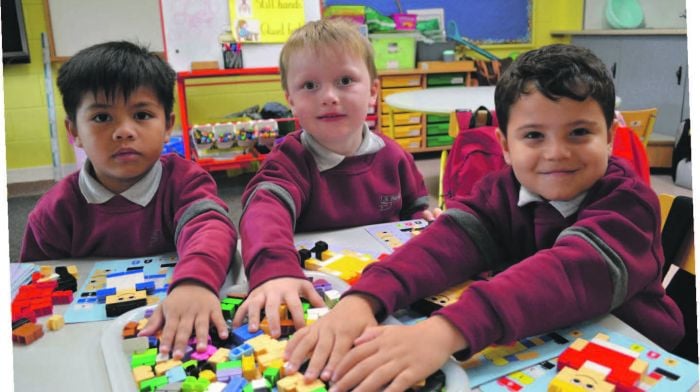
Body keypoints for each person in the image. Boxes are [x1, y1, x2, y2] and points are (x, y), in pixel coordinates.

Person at [283, 43, 684, 391]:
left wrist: (445, 331)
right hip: (547, 342)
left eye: (579, 132)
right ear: (505, 145)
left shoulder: (629, 202)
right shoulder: (501, 189)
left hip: (639, 354)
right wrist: (365, 298)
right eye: (533, 135)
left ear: (611, 138)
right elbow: (446, 243)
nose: (556, 152)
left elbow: (567, 273)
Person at [19, 41, 238, 360]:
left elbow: (212, 227)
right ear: (73, 132)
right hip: (83, 343)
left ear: (168, 126)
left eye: (142, 114)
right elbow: (36, 289)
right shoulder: (54, 211)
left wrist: (194, 282)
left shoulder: (185, 181)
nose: (124, 131)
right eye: (102, 117)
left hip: (168, 326)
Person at [232, 18, 436, 339]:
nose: (328, 96)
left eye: (344, 80)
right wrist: (275, 271)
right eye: (310, 86)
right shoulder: (289, 160)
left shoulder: (395, 156)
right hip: (311, 290)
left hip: (381, 292)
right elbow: (262, 212)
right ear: (290, 98)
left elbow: (414, 212)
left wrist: (424, 221)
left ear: (373, 91)